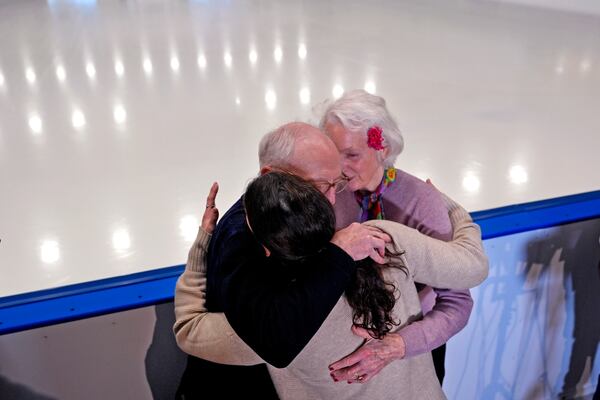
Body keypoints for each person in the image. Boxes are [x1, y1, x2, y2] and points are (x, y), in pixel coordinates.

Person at [174, 172, 488, 399]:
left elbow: (189, 327)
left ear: (266, 249)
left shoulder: (272, 325)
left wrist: (205, 239)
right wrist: (440, 201)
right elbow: (472, 265)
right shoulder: (383, 238)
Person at [175, 122, 391, 399]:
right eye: (317, 186)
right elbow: (277, 341)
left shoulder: (284, 217)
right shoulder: (241, 237)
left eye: (336, 184)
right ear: (271, 175)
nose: (330, 201)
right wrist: (340, 254)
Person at [319, 89, 474, 383]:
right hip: (345, 348)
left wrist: (396, 346)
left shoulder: (421, 202)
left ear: (383, 148)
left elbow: (457, 303)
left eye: (351, 154)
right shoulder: (326, 192)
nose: (339, 168)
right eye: (332, 153)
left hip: (413, 350)